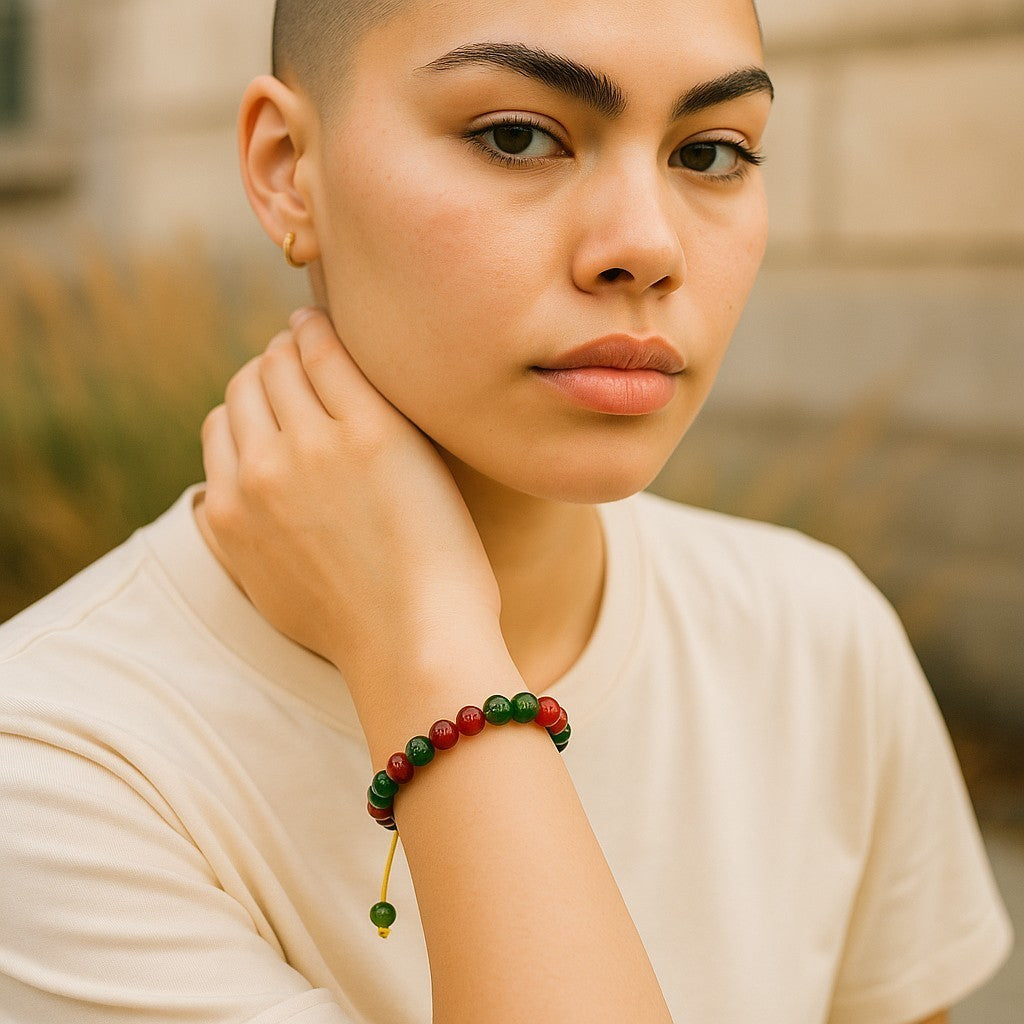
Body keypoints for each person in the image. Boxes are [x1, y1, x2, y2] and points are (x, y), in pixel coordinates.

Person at [0, 0, 1013, 1021]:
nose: (646, 246)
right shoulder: (52, 771)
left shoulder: (813, 637)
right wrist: (427, 644)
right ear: (284, 168)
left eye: (709, 153)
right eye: (517, 137)